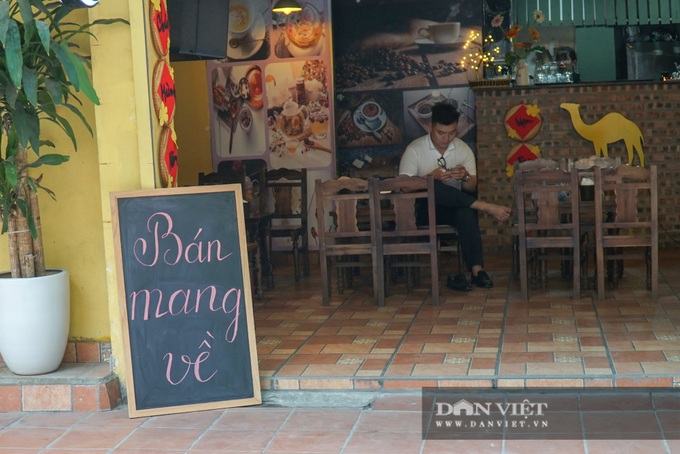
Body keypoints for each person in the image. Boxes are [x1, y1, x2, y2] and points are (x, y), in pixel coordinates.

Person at [399, 102, 511, 290]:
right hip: (422, 211)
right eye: (441, 133)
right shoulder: (415, 149)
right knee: (433, 186)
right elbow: (403, 187)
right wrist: (430, 178)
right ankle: (482, 206)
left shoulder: (462, 149)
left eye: (451, 133)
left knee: (465, 211)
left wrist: (465, 176)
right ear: (430, 127)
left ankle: (477, 270)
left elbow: (471, 185)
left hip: (451, 208)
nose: (446, 138)